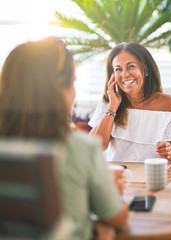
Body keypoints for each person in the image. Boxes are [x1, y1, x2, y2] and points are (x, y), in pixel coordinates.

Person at [0, 37, 128, 240]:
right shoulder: (79, 148)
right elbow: (118, 218)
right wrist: (110, 191)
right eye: (73, 81)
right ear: (60, 90)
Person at [89, 42, 171, 164]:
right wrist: (113, 107)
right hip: (119, 175)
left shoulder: (167, 104)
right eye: (118, 69)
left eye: (131, 66)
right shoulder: (110, 101)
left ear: (145, 69)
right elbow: (95, 147)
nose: (125, 74)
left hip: (153, 176)